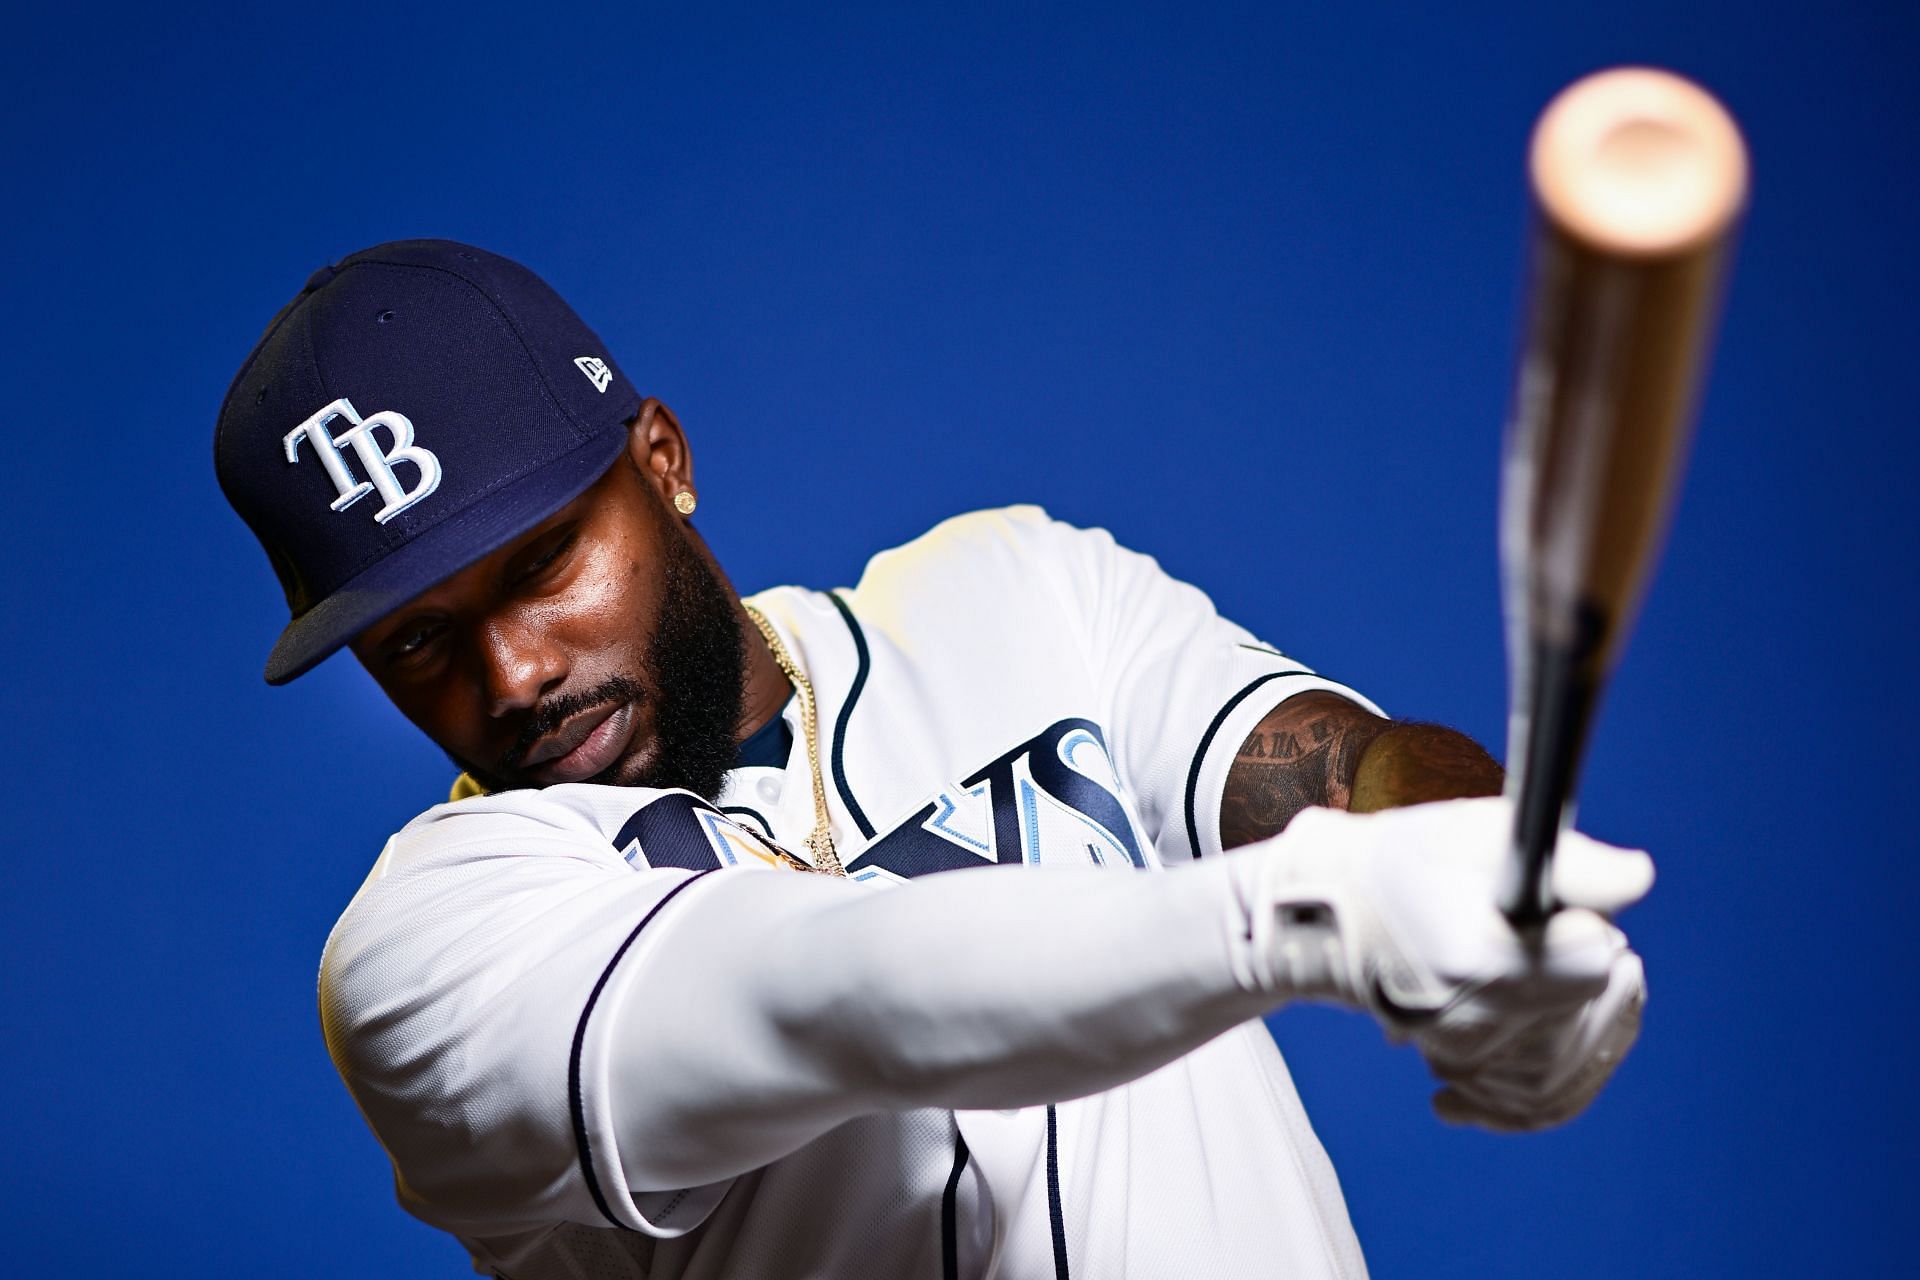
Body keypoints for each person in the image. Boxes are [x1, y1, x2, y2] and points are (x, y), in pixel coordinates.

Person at [216, 240, 1651, 1280]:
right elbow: (832, 1000)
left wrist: (1483, 884)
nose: (512, 674)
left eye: (543, 559)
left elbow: (1350, 774)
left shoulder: (1019, 592)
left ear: (662, 461)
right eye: (416, 644)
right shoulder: (433, 955)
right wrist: (1317, 916)